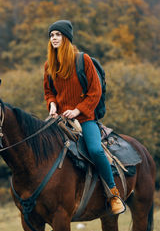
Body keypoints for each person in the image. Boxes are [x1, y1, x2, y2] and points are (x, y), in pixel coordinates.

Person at [43, 20, 125, 215]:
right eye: (51, 35)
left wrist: (77, 111)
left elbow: (94, 92)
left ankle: (113, 194)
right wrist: (52, 105)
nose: (54, 38)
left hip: (85, 119)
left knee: (96, 151)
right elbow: (49, 92)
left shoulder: (83, 60)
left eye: (58, 34)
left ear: (67, 37)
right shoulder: (49, 65)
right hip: (60, 119)